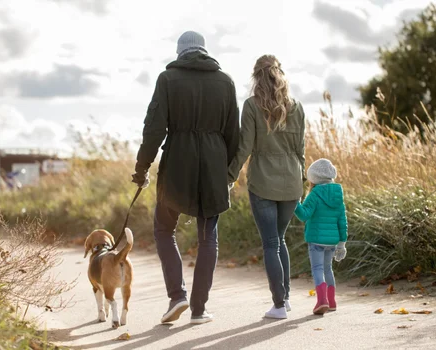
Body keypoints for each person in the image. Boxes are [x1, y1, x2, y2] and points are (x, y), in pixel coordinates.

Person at [132, 31, 240, 325]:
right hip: (213, 168)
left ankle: (176, 296)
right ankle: (199, 309)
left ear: (180, 52)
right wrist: (225, 172)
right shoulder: (226, 82)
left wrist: (142, 168)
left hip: (177, 163)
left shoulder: (168, 80)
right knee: (208, 238)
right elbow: (234, 135)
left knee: (164, 229)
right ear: (204, 50)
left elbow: (153, 129)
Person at [228, 55, 306, 319]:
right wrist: (303, 182)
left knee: (271, 242)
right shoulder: (297, 107)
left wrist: (229, 175)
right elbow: (301, 151)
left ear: (256, 77)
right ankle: (286, 299)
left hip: (263, 182)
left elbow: (244, 147)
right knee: (279, 239)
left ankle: (279, 304)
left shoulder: (251, 106)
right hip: (292, 182)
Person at [294, 158, 348, 315]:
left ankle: (321, 300)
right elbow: (342, 220)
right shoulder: (338, 195)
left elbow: (304, 215)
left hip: (316, 240)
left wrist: (295, 203)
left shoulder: (315, 194)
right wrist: (342, 243)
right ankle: (331, 301)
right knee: (328, 269)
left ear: (314, 179)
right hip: (332, 241)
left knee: (317, 269)